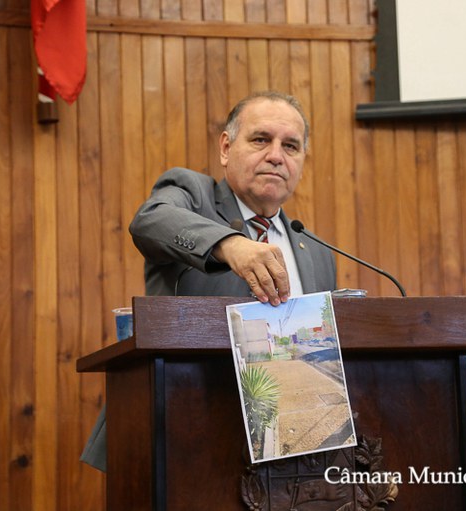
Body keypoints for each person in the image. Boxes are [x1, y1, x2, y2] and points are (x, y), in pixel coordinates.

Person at [80, 91, 337, 471]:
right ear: (226, 148)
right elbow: (150, 220)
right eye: (261, 139)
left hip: (284, 448)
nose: (276, 155)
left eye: (291, 146)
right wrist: (230, 245)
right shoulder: (192, 195)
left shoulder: (316, 251)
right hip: (181, 435)